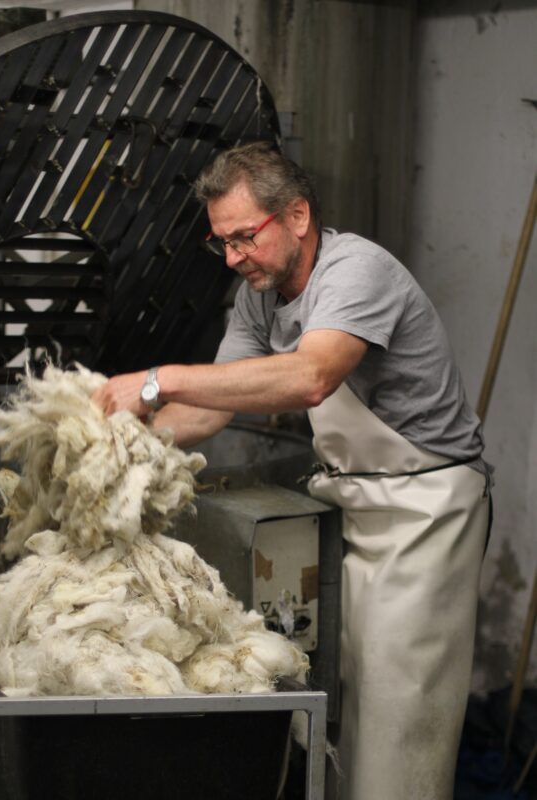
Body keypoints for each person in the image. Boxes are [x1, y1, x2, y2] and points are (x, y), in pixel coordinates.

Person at [92, 142, 492, 800]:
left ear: (298, 216)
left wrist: (157, 380)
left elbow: (310, 378)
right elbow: (209, 409)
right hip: (347, 507)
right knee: (328, 708)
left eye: (244, 237)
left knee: (398, 724)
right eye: (221, 242)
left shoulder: (356, 271)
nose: (232, 257)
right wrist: (107, 441)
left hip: (425, 514)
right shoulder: (260, 295)